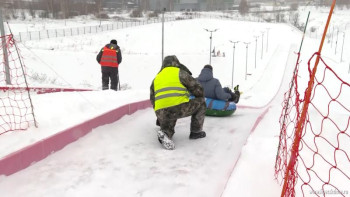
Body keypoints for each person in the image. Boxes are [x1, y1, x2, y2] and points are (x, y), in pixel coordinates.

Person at [150, 55, 206, 150]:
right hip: (178, 107)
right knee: (201, 102)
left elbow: (153, 99)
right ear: (176, 63)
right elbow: (198, 89)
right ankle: (196, 132)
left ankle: (165, 133)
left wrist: (160, 118)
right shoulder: (180, 73)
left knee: (169, 117)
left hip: (160, 111)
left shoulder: (156, 78)